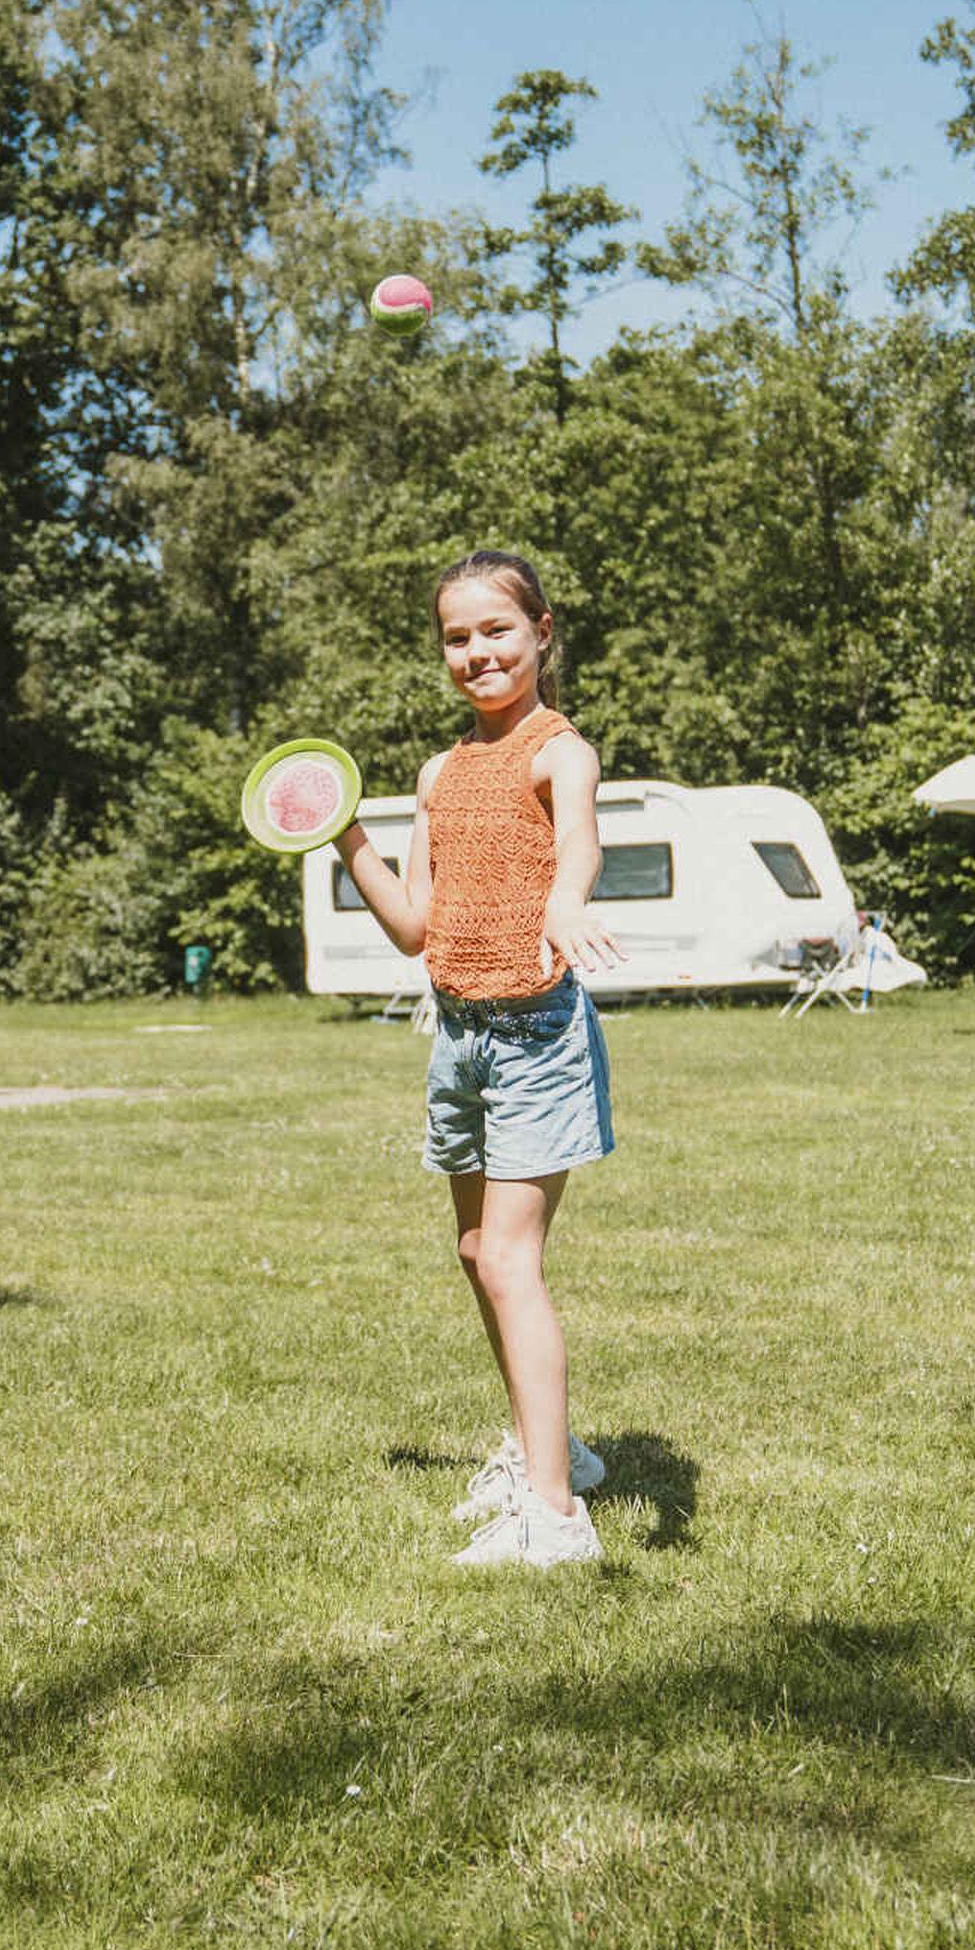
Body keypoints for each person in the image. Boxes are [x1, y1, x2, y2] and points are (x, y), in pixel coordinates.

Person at [326, 549, 624, 1569]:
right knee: (475, 1257)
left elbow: (579, 842)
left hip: (537, 1034)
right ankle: (557, 1455)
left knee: (509, 1258)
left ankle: (557, 1521)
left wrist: (567, 902)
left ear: (544, 629)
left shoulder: (560, 750)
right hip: (458, 1034)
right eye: (457, 636)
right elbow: (415, 926)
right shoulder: (438, 774)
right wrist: (343, 837)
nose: (478, 652)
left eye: (497, 629)